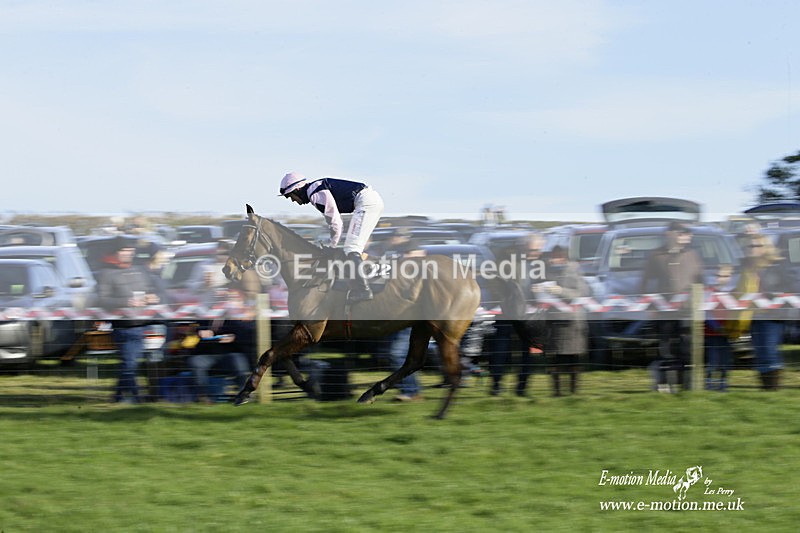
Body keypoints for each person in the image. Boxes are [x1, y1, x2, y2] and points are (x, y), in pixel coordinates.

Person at [278, 172, 384, 302]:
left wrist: (332, 246)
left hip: (366, 202)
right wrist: (333, 244)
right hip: (368, 200)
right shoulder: (315, 190)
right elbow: (335, 224)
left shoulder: (314, 193)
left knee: (352, 248)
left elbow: (336, 223)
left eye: (290, 196)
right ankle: (374, 270)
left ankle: (363, 290)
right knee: (352, 248)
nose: (293, 200)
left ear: (297, 189)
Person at [639, 221, 704, 392]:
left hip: (687, 311)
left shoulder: (693, 255)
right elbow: (646, 283)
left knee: (687, 346)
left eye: (688, 233)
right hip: (664, 311)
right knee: (666, 347)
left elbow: (700, 281)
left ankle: (686, 386)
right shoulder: (656, 256)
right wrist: (650, 306)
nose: (687, 236)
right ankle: (664, 383)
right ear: (670, 234)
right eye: (682, 233)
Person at [96, 236, 161, 403]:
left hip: (144, 324)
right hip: (124, 326)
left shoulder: (138, 270)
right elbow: (102, 300)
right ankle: (137, 398)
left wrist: (152, 296)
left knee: (130, 363)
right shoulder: (106, 273)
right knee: (130, 363)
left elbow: (150, 288)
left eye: (130, 251)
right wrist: (126, 302)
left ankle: (117, 397)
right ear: (115, 252)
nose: (128, 254)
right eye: (124, 251)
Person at [728, 232, 786, 390]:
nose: (753, 249)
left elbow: (788, 287)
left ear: (766, 248)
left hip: (772, 316)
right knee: (760, 351)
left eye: (758, 245)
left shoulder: (775, 266)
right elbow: (739, 289)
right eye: (751, 245)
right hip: (752, 315)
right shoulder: (745, 267)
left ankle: (773, 388)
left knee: (768, 349)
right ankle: (766, 387)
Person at [532, 245, 590, 396]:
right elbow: (536, 290)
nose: (555, 259)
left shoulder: (574, 269)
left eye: (558, 256)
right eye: (553, 255)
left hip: (572, 321)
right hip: (554, 321)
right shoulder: (545, 269)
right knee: (555, 359)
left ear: (564, 256)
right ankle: (556, 392)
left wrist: (561, 291)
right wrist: (536, 291)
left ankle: (573, 393)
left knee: (573, 359)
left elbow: (582, 292)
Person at [704, 266, 733, 391]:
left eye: (725, 276)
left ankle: (723, 384)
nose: (721, 279)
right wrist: (716, 326)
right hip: (711, 332)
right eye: (718, 275)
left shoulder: (732, 292)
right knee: (713, 360)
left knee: (726, 360)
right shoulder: (709, 291)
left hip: (728, 331)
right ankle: (709, 384)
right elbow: (706, 312)